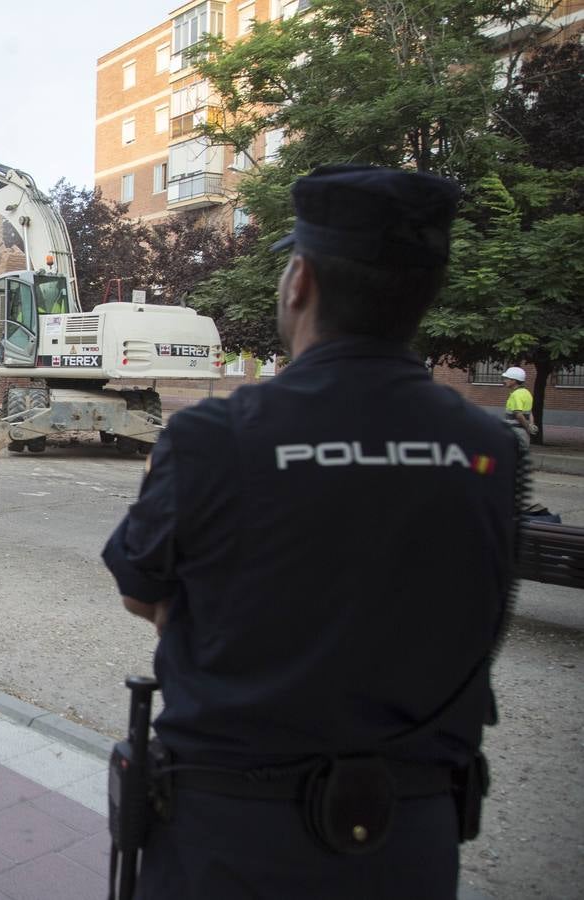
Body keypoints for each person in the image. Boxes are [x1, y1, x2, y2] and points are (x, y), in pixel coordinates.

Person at [102, 165, 519, 899]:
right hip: (411, 842)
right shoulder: (492, 451)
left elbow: (142, 591)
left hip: (234, 843)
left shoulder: (215, 436)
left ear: (300, 282)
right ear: (423, 296)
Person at [502, 365, 537, 443]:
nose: (505, 381)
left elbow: (519, 415)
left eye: (507, 379)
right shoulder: (527, 393)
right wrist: (531, 425)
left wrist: (528, 427)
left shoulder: (516, 395)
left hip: (514, 432)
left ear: (514, 380)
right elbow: (530, 412)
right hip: (524, 434)